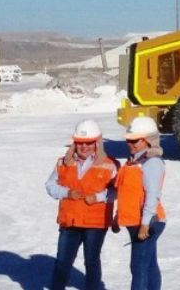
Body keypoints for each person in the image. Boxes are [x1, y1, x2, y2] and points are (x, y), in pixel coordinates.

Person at [45, 119, 117, 290]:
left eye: (88, 143)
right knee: (63, 261)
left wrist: (98, 197)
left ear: (97, 143)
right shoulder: (64, 162)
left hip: (95, 223)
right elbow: (50, 185)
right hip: (70, 221)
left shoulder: (110, 164)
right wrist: (67, 193)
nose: (84, 147)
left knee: (91, 261)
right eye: (80, 143)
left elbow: (117, 191)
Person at [116, 116, 167, 290]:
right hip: (136, 221)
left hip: (148, 222)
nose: (130, 143)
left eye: (135, 140)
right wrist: (117, 217)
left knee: (138, 267)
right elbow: (127, 193)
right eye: (128, 140)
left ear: (147, 141)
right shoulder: (135, 161)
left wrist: (145, 224)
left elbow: (153, 195)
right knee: (148, 265)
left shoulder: (152, 162)